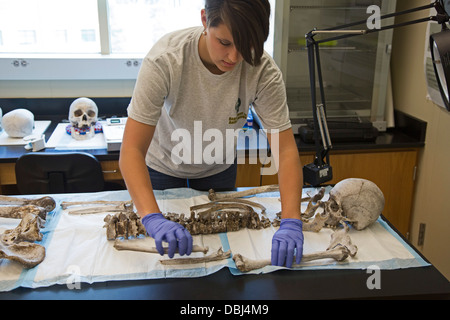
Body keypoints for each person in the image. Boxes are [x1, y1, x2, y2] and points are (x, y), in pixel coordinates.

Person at [119, 0, 304, 268]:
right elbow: (132, 149)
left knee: (221, 261)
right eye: (225, 42)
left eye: (247, 46)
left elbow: (285, 151)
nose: (234, 58)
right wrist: (150, 217)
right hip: (162, 167)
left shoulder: (263, 71)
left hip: (218, 170)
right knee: (163, 261)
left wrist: (291, 220)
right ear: (205, 20)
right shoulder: (165, 60)